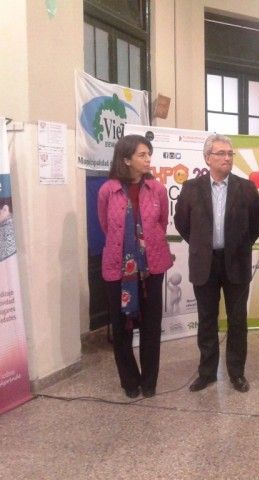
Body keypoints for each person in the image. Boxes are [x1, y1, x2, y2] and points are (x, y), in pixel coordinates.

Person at [174, 134, 259, 393]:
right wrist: (202, 244)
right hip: (205, 263)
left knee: (237, 320)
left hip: (236, 261)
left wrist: (240, 245)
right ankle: (207, 373)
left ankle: (237, 373)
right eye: (221, 153)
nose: (227, 158)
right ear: (207, 158)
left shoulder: (246, 188)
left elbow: (257, 223)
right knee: (206, 320)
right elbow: (182, 223)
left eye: (230, 153)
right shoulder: (191, 188)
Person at [98, 134, 173, 399]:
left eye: (148, 154)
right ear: (126, 159)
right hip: (117, 268)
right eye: (142, 155)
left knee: (151, 326)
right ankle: (130, 381)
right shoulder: (108, 190)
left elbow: (161, 223)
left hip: (151, 267)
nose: (148, 159)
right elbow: (107, 227)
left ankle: (149, 381)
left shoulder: (157, 189)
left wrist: (143, 248)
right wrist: (128, 250)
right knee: (121, 328)